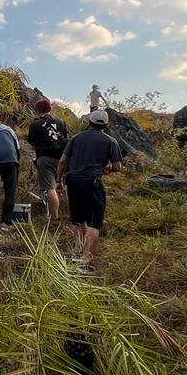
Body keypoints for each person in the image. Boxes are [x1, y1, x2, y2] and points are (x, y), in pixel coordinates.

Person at [56, 110, 123, 265]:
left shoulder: (76, 138)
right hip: (92, 182)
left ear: (89, 123)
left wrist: (58, 180)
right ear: (106, 125)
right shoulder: (110, 141)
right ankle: (85, 263)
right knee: (94, 223)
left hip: (72, 181)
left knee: (78, 221)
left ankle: (76, 254)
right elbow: (118, 166)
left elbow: (62, 161)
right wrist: (108, 169)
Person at [26, 99, 68, 219]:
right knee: (63, 186)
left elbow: (31, 142)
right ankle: (72, 215)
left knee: (50, 188)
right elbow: (65, 139)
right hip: (62, 159)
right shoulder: (61, 122)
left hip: (45, 159)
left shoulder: (35, 124)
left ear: (37, 110)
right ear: (50, 109)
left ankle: (54, 217)